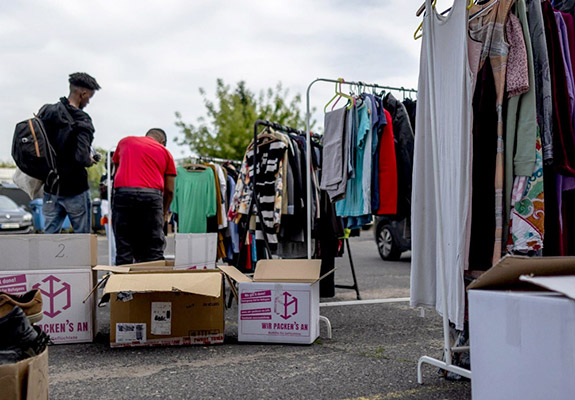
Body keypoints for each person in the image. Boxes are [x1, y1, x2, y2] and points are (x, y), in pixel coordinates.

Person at [38, 72, 101, 233]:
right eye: (90, 97)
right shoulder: (82, 120)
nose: (88, 101)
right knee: (82, 239)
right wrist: (89, 160)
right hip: (75, 188)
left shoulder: (47, 112)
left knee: (50, 236)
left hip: (51, 186)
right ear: (83, 93)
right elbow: (81, 157)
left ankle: (48, 259)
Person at [112, 128, 177, 265]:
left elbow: (116, 170)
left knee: (124, 244)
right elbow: (170, 190)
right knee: (153, 246)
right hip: (151, 197)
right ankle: (152, 282)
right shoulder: (165, 152)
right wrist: (164, 212)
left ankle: (122, 284)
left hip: (124, 193)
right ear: (162, 141)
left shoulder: (125, 142)